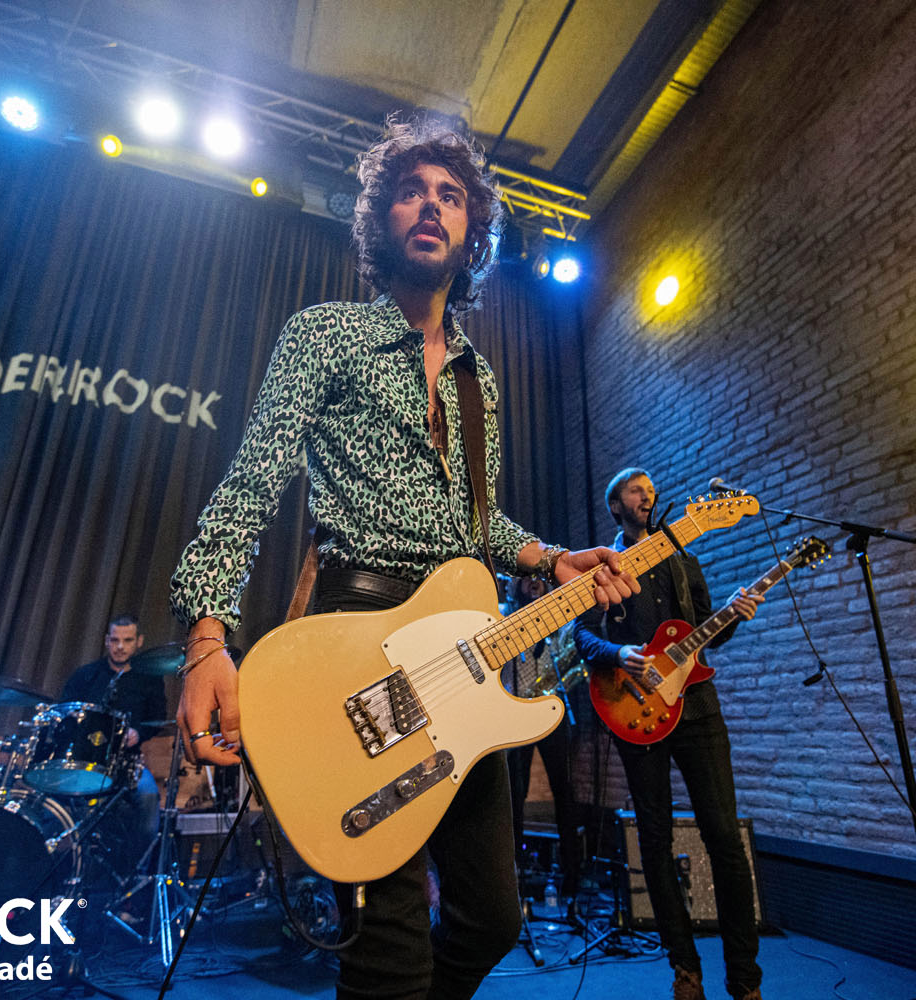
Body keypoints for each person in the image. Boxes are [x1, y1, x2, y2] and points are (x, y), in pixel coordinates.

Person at [169, 116, 638, 999]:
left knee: (491, 918)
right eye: (412, 192)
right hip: (359, 644)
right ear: (381, 219)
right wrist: (206, 637)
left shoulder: (478, 378)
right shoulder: (325, 335)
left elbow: (476, 523)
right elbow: (251, 485)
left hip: (465, 659)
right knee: (389, 945)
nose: (431, 206)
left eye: (451, 196)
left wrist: (549, 558)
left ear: (472, 234)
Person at [574, 469, 765, 1000]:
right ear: (616, 506)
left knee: (724, 838)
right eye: (636, 490)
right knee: (654, 842)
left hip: (697, 708)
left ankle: (745, 980)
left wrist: (734, 616)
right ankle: (685, 970)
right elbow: (581, 635)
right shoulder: (603, 570)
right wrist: (619, 653)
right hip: (635, 712)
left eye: (651, 490)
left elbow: (706, 634)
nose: (648, 496)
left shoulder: (684, 558)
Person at [501, 574, 584, 912]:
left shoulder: (557, 620)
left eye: (540, 579)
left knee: (564, 790)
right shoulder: (505, 617)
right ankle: (514, 879)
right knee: (515, 795)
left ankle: (573, 878)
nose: (535, 584)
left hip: (552, 708)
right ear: (514, 585)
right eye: (527, 579)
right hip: (516, 713)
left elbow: (569, 654)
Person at [58, 613, 166, 856]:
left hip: (127, 762)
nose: (120, 647)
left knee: (149, 797)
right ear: (106, 641)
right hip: (84, 760)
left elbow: (158, 718)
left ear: (139, 641)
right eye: (115, 640)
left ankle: (134, 867)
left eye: (127, 640)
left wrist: (138, 733)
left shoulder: (150, 680)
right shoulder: (86, 675)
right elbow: (63, 711)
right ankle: (71, 858)